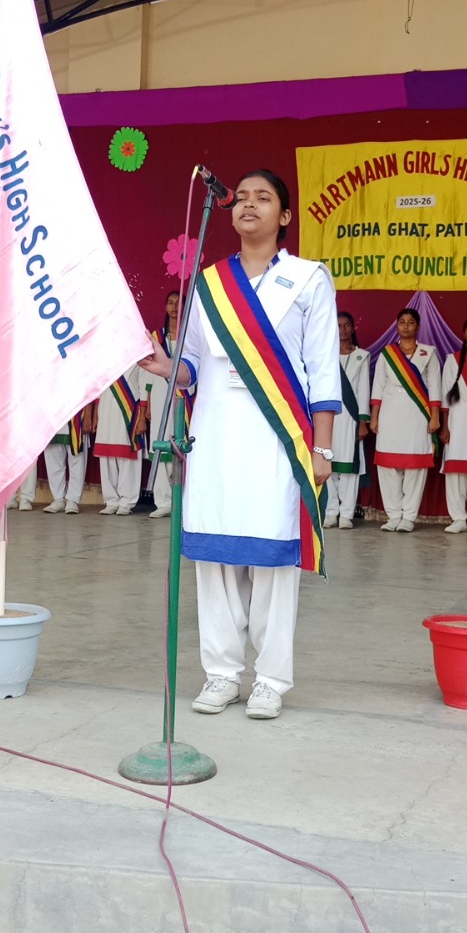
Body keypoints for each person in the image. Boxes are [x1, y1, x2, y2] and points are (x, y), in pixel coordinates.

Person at [140, 169, 340, 721]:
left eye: (264, 198)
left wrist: (322, 451)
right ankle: (222, 674)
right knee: (215, 560)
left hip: (278, 436)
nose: (249, 205)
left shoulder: (308, 279)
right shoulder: (209, 282)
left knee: (275, 560)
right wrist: (168, 369)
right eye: (242, 198)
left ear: (286, 216)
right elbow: (196, 366)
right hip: (217, 433)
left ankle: (271, 680)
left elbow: (324, 371)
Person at [369, 308, 441, 532]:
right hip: (390, 415)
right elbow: (378, 386)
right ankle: (393, 515)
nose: (406, 326)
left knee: (414, 467)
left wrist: (435, 417)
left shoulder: (428, 353)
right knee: (388, 467)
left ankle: (409, 516)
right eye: (402, 322)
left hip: (418, 416)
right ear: (397, 326)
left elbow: (435, 387)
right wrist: (374, 417)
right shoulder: (387, 354)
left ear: (417, 327)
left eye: (411, 322)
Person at [142, 290, 190, 520]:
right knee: (161, 442)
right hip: (161, 394)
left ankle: (181, 500)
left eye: (177, 303)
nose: (173, 307)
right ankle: (162, 500)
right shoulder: (156, 336)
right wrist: (148, 403)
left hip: (184, 394)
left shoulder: (190, 334)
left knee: (181, 443)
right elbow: (148, 375)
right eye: (169, 303)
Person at [439, 316, 467, 535]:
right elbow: (446, 396)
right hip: (457, 421)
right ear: (463, 332)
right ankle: (458, 518)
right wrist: (445, 427)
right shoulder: (452, 360)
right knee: (455, 471)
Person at [326, 311, 370, 530]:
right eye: (339, 326)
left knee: (349, 467)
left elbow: (363, 390)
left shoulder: (362, 355)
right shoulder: (324, 354)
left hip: (351, 417)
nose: (342, 329)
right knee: (328, 464)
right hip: (328, 415)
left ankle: (346, 514)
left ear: (353, 328)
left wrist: (363, 421)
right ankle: (331, 511)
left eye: (346, 325)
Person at [93, 367, 145, 515]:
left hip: (129, 412)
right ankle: (111, 501)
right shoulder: (107, 360)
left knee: (127, 456)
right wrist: (96, 414)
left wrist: (141, 416)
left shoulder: (138, 358)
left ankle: (126, 501)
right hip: (105, 411)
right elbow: (98, 389)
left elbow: (142, 388)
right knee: (106, 455)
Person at [42, 412, 90, 513]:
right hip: (52, 417)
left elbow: (87, 396)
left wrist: (88, 416)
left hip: (76, 416)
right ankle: (58, 499)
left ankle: (73, 500)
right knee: (53, 460)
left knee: (77, 461)